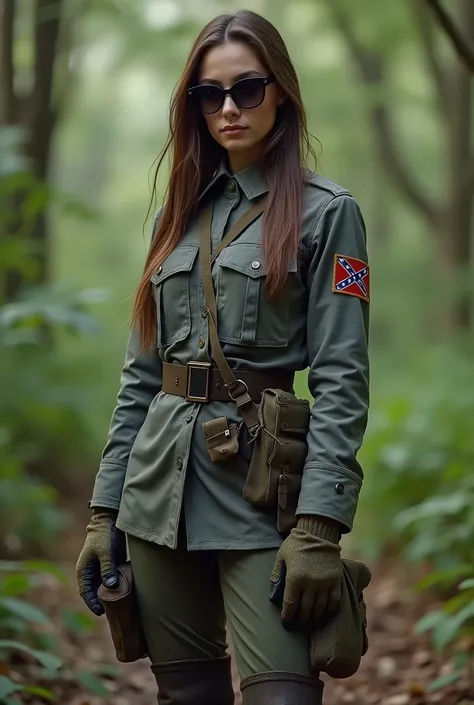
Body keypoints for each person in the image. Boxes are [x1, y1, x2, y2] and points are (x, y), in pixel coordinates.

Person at [76, 9, 370, 705]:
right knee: (189, 696)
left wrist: (320, 527)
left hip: (261, 492)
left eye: (248, 88)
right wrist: (102, 512)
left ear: (283, 93)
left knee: (283, 695)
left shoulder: (328, 213)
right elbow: (141, 379)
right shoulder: (174, 215)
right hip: (159, 491)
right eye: (210, 94)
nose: (229, 107)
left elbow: (343, 380)